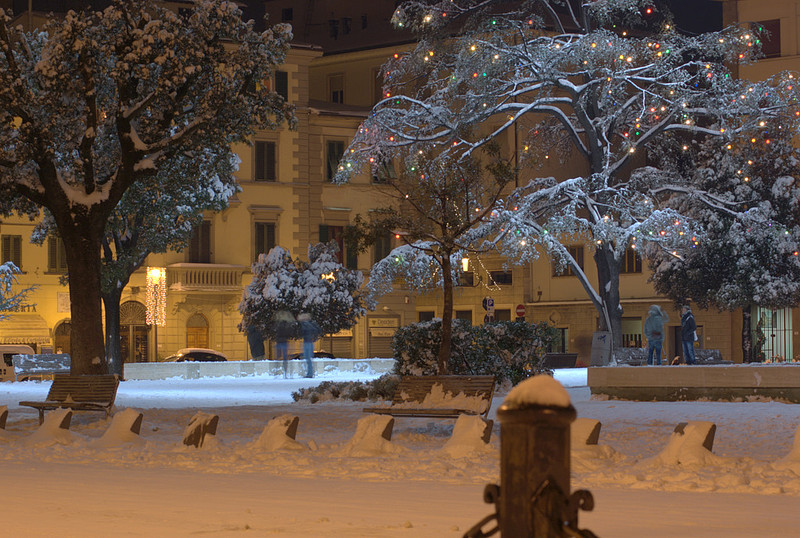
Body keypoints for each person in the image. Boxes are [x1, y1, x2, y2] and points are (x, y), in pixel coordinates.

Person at [273, 310, 296, 378]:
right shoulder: (286, 324)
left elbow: (276, 331)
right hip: (284, 342)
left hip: (279, 342)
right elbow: (289, 333)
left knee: (278, 357)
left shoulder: (277, 324)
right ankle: (285, 372)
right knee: (285, 358)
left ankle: (277, 372)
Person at [298, 313, 320, 378]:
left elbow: (303, 333)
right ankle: (310, 372)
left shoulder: (304, 324)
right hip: (310, 342)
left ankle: (310, 373)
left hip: (307, 342)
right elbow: (317, 330)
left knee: (308, 358)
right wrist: (314, 338)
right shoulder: (311, 324)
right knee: (309, 358)